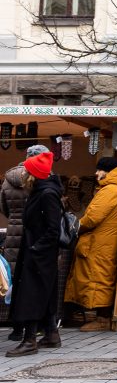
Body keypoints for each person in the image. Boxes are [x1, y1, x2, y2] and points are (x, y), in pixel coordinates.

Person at [63, 157, 117, 332]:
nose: (96, 173)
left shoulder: (110, 190)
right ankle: (98, 317)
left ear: (107, 171)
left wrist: (76, 225)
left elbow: (93, 217)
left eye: (99, 170)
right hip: (105, 242)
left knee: (97, 280)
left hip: (98, 243)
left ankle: (102, 319)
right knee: (102, 278)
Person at [5, 151, 62, 357]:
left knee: (31, 294)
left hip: (40, 254)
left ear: (34, 174)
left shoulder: (47, 194)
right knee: (43, 292)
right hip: (37, 251)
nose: (22, 174)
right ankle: (51, 334)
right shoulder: (40, 191)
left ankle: (29, 340)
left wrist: (37, 248)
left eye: (26, 171)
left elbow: (53, 228)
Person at [1, 144, 48, 342]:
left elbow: (3, 207)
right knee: (34, 281)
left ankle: (16, 327)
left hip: (13, 232)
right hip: (34, 233)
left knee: (14, 280)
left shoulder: (8, 179)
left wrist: (15, 218)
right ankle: (35, 326)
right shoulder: (40, 178)